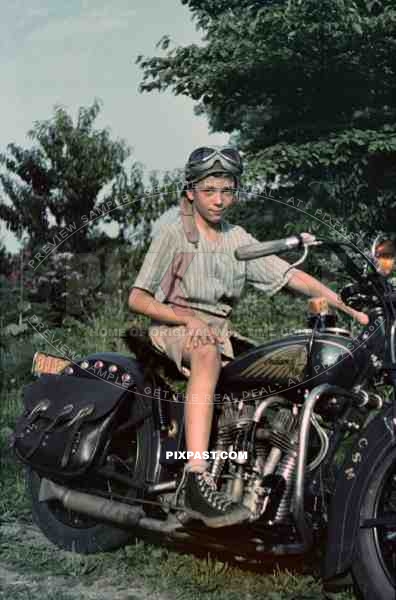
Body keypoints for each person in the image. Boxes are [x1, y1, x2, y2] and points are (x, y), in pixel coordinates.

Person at [128, 146, 368, 527]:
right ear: (190, 191)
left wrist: (346, 305)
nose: (219, 200)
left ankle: (276, 482)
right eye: (209, 190)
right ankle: (195, 476)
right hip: (174, 327)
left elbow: (291, 276)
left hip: (220, 332)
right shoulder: (175, 233)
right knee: (206, 353)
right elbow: (137, 298)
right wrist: (187, 320)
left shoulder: (237, 237)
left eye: (227, 190)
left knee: (278, 370)